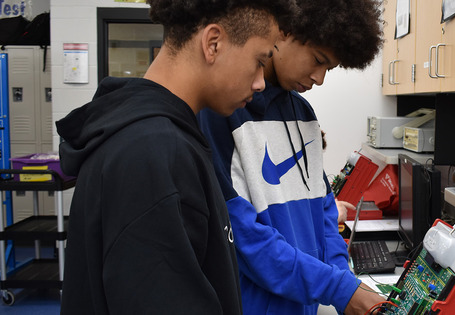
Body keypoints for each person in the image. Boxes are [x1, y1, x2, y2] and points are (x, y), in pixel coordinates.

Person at [55, 0, 296, 313]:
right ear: (213, 43)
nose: (260, 82)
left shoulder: (161, 138)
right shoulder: (153, 153)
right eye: (259, 61)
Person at [196, 0, 385, 314]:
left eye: (329, 69)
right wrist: (337, 288)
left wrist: (343, 279)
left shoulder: (303, 113)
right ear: (284, 32)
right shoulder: (222, 113)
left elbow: (324, 211)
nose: (320, 78)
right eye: (318, 60)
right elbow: (244, 238)